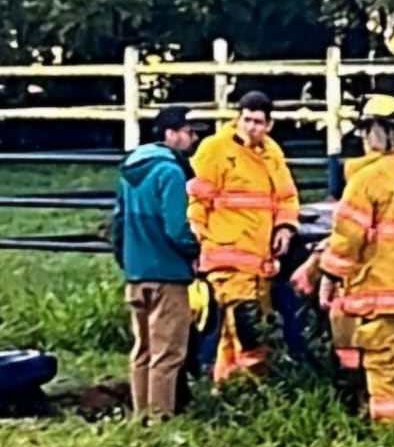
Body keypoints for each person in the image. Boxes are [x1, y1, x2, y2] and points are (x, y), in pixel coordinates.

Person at [289, 96, 394, 390]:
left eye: (367, 130)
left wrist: (328, 275)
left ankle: (391, 431)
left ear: (379, 133)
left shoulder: (367, 180)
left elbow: (347, 239)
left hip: (383, 297)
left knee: (386, 369)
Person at [185, 91, 300, 384]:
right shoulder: (215, 149)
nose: (251, 127)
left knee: (232, 332)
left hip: (260, 260)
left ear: (269, 125)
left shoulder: (272, 153)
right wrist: (196, 240)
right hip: (226, 255)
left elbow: (287, 197)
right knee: (246, 326)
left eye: (258, 122)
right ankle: (258, 382)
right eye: (246, 120)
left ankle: (226, 386)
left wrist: (285, 227)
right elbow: (197, 200)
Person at [111, 105, 201, 422]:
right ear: (170, 134)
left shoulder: (128, 170)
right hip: (168, 275)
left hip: (136, 274)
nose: (194, 138)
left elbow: (118, 225)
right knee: (168, 354)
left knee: (142, 350)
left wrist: (127, 262)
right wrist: (196, 250)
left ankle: (140, 417)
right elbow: (176, 228)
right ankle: (162, 420)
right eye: (189, 132)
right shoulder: (171, 172)